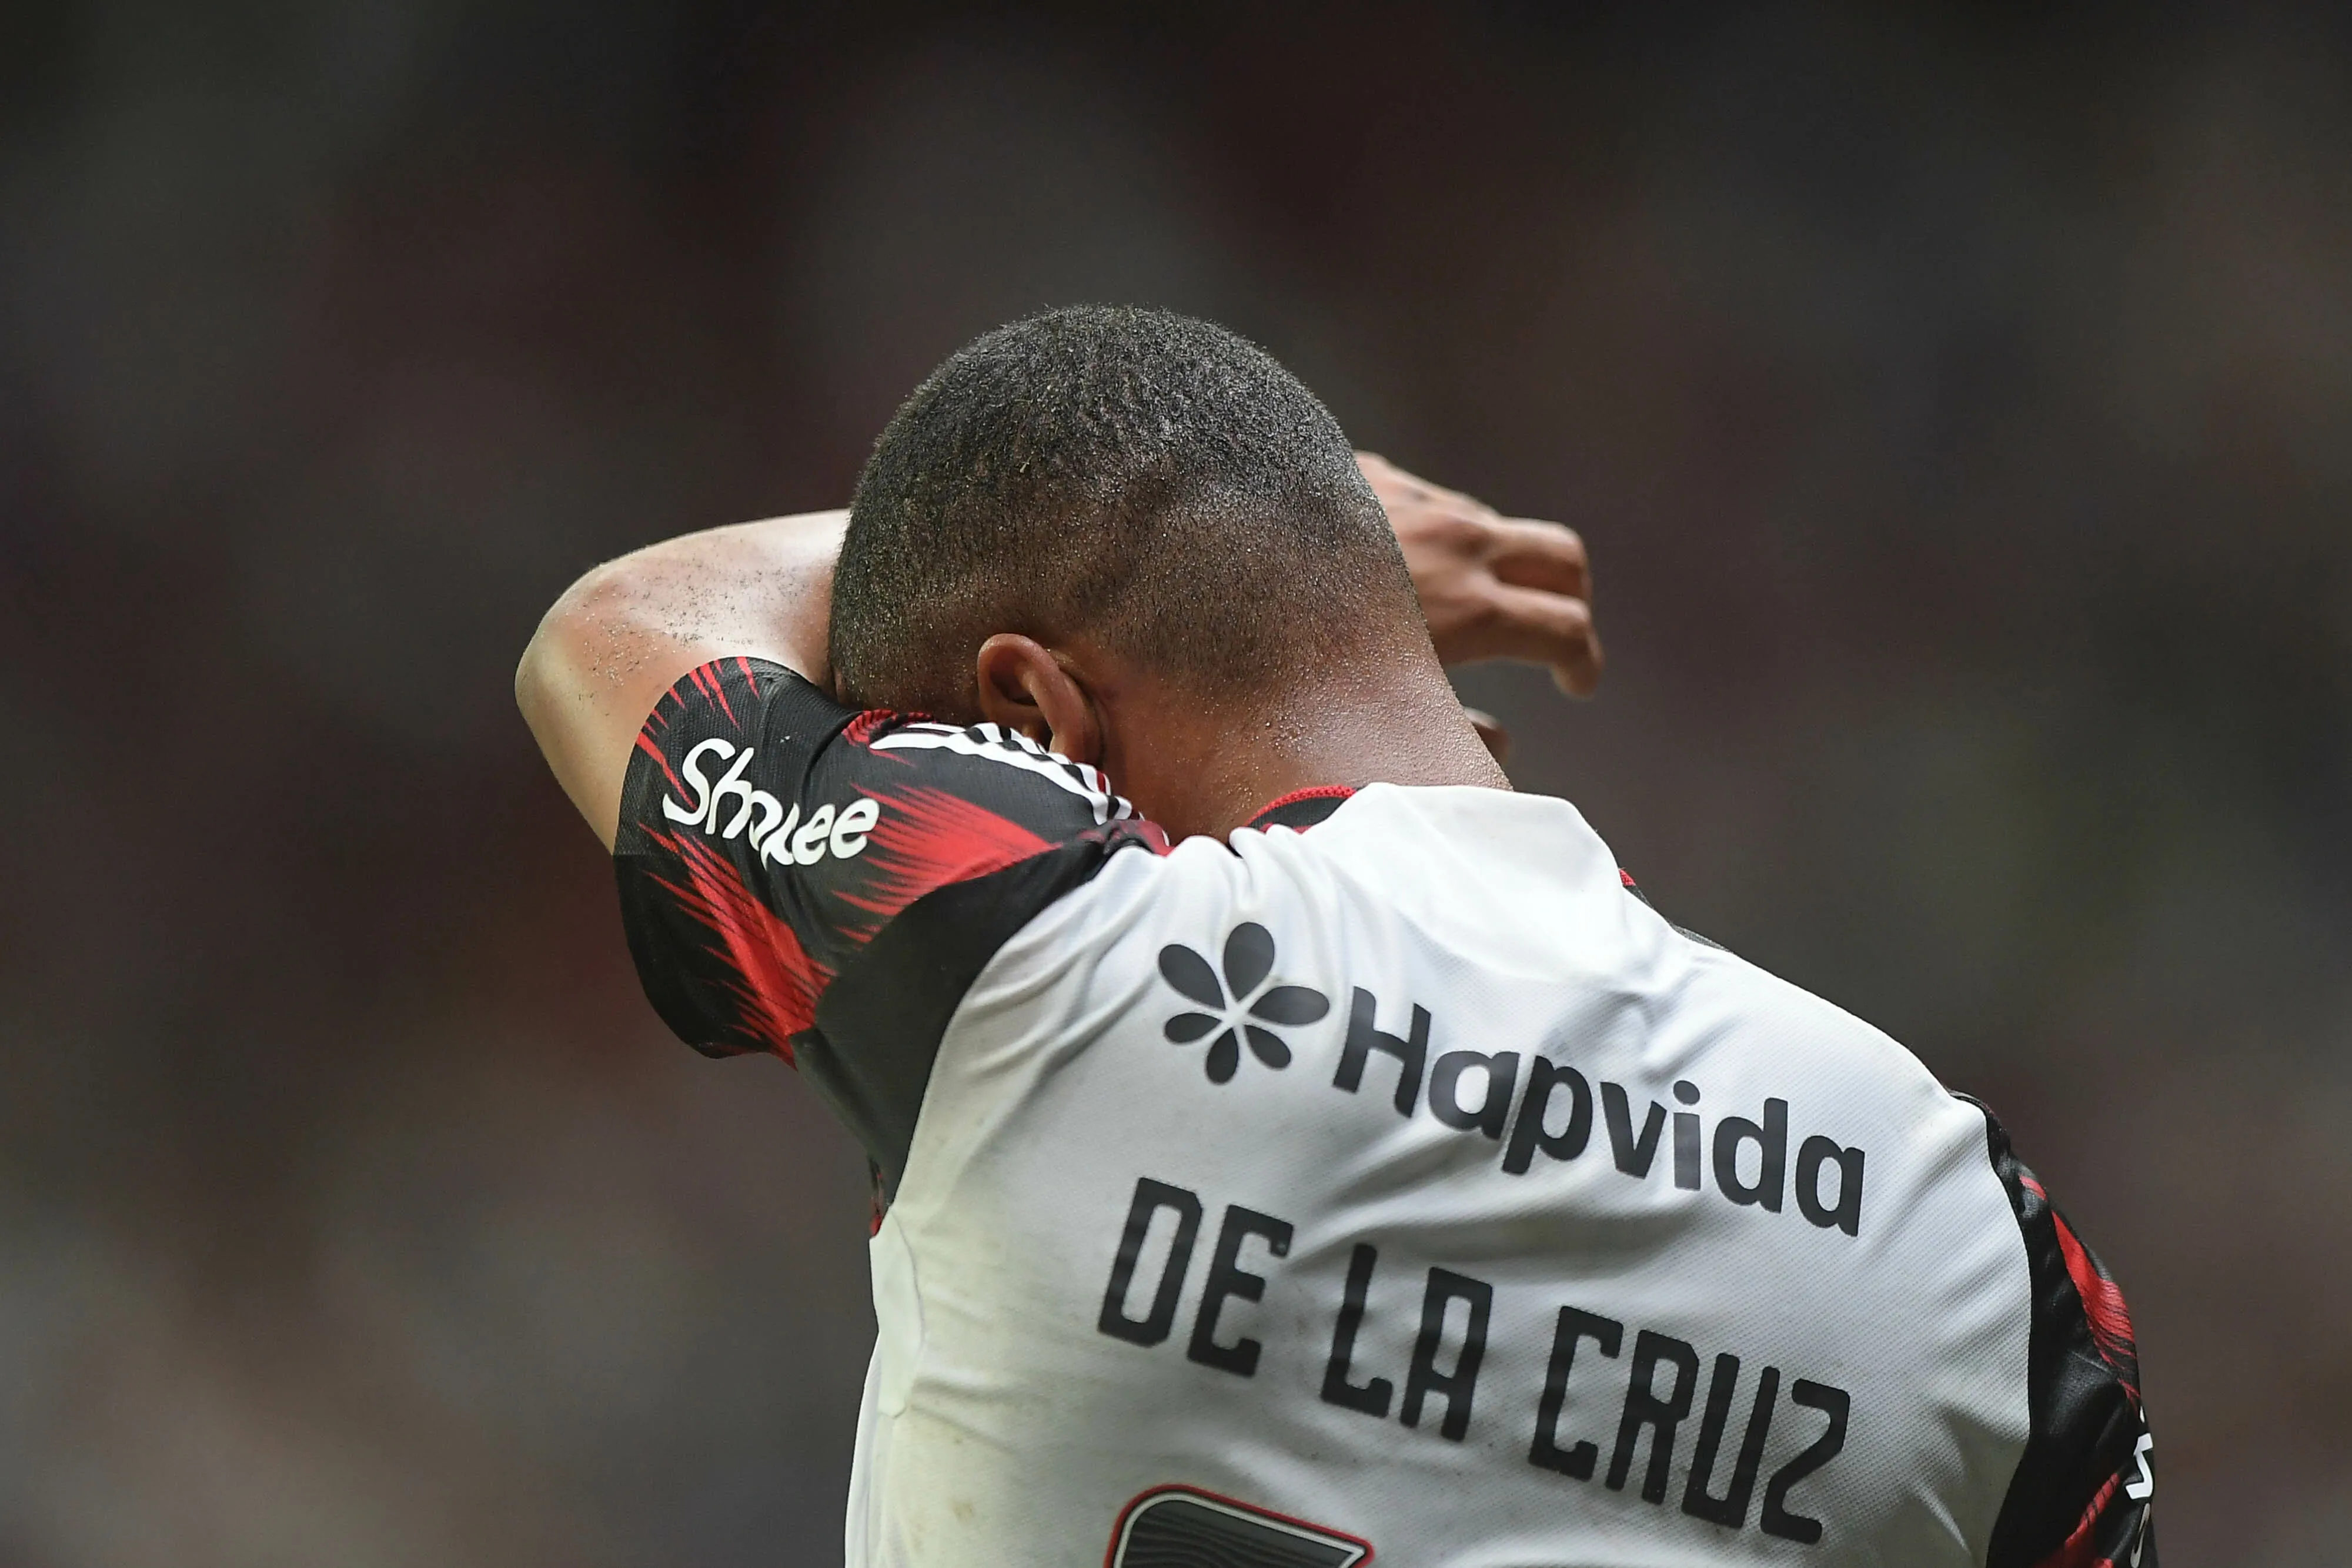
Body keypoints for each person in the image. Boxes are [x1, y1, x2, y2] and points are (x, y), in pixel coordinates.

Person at [516, 306, 2154, 1566]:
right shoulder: (1985, 1256)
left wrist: (1257, 520)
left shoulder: (1033, 959)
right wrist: (1287, 542)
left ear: (1027, 715)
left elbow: (619, 635)